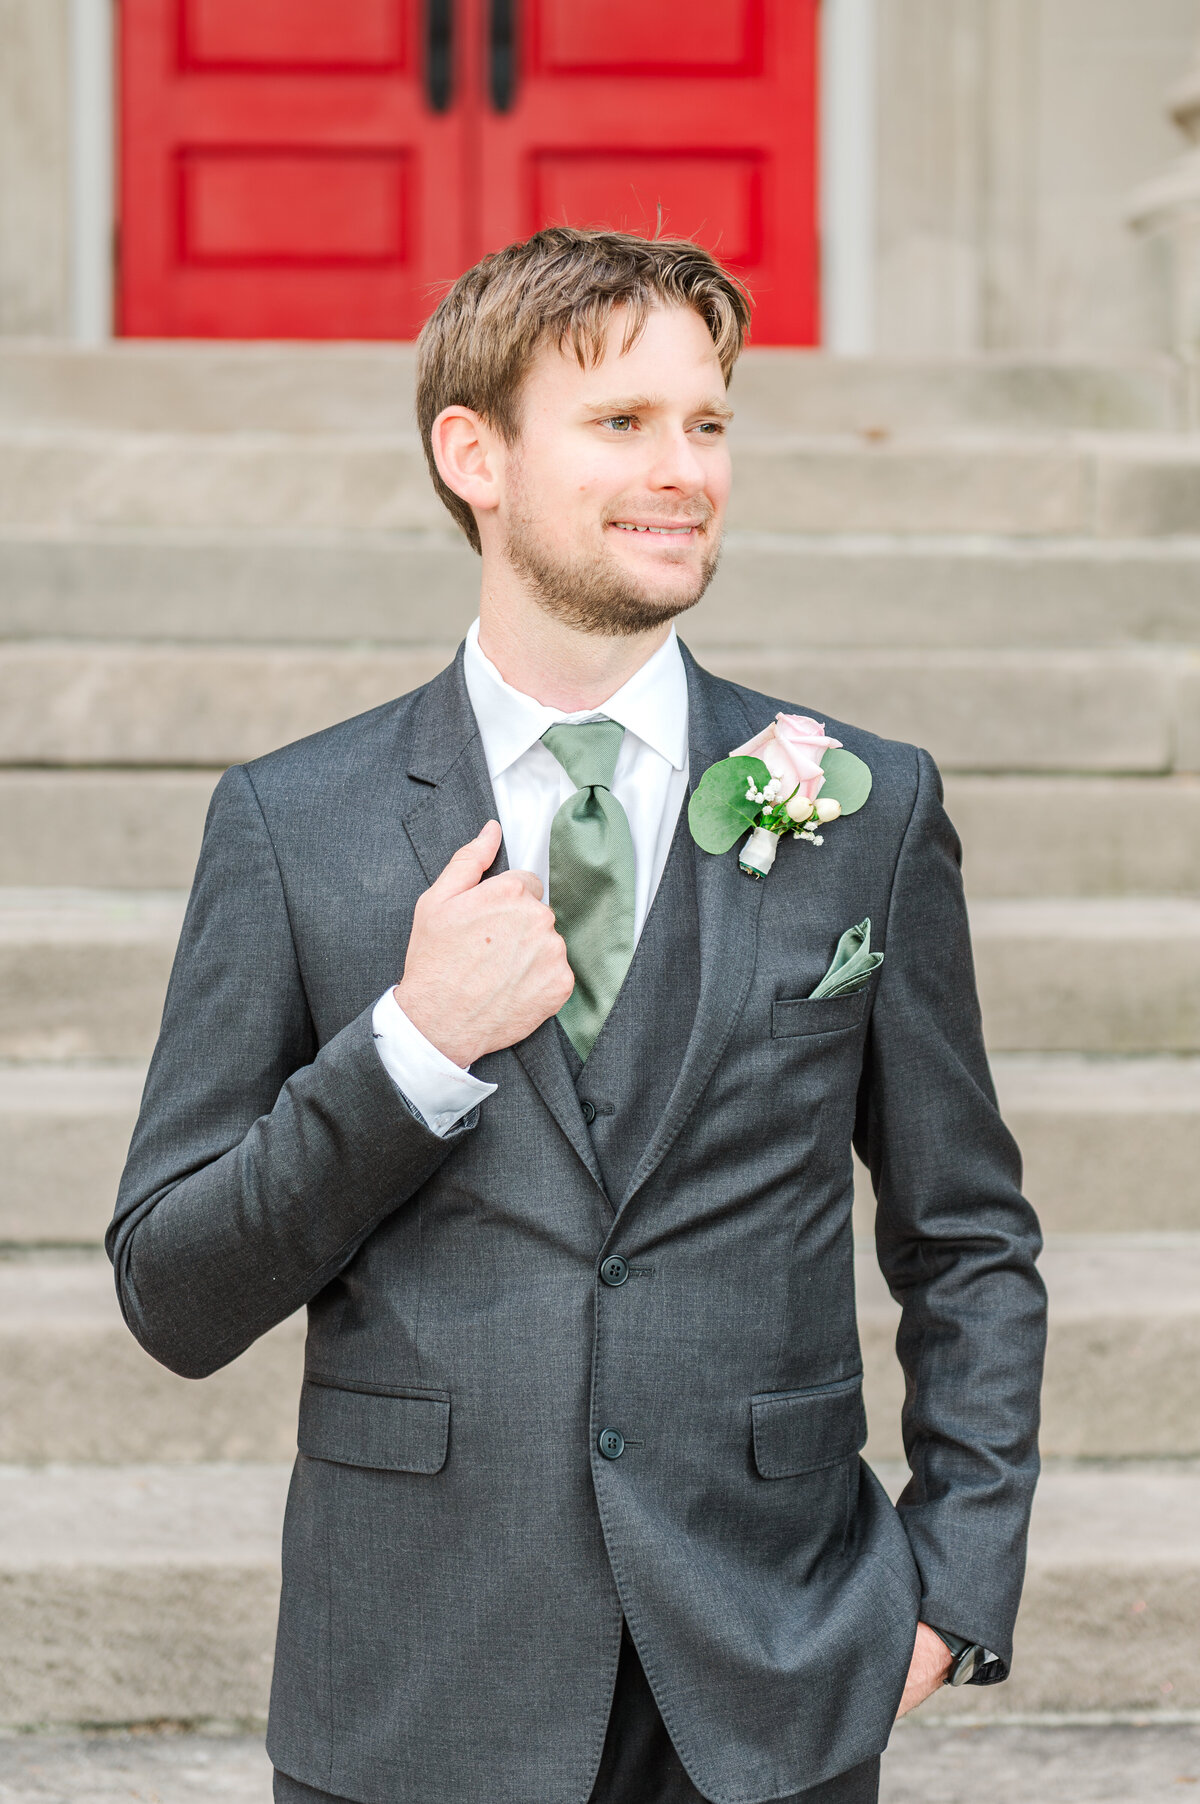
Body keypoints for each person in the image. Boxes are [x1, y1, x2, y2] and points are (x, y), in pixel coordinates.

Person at [108, 228, 1047, 1804]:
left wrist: (957, 1573)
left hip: (776, 1669)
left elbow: (966, 1233)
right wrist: (411, 1051)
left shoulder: (867, 806)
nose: (683, 470)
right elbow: (173, 1292)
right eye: (621, 425)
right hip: (416, 1679)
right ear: (472, 454)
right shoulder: (297, 822)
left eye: (709, 422)